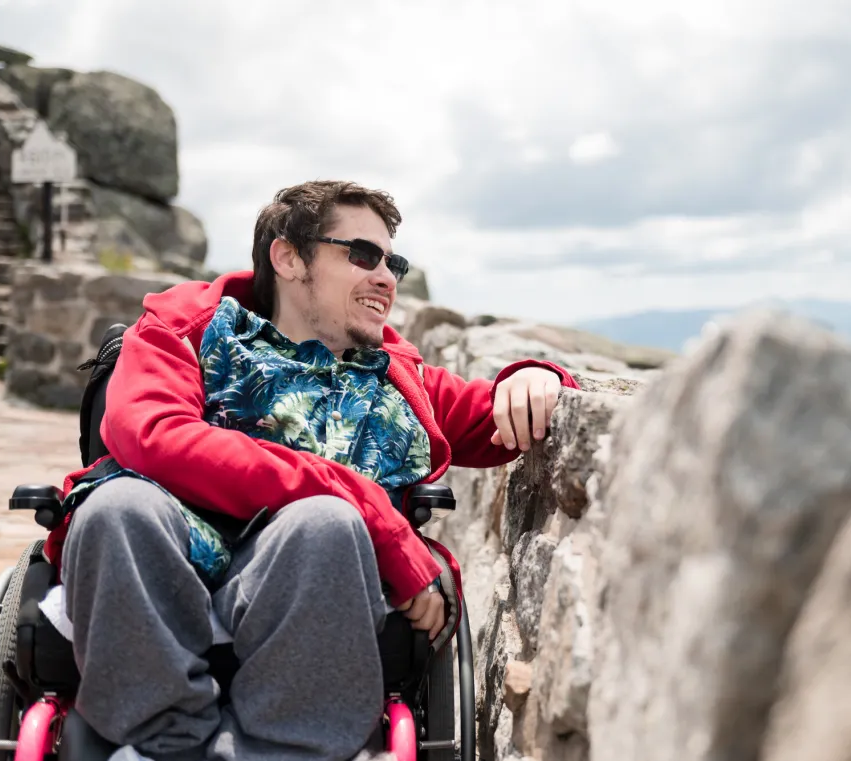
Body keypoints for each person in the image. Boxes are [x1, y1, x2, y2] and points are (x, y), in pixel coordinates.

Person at [43, 180, 578, 761]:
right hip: (168, 558)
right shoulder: (185, 331)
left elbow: (494, 419)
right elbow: (151, 435)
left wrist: (537, 377)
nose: (387, 278)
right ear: (288, 257)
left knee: (323, 523)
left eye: (392, 261)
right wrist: (368, 508)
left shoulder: (397, 378)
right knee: (116, 509)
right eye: (363, 255)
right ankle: (158, 747)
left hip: (311, 579)